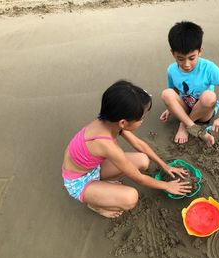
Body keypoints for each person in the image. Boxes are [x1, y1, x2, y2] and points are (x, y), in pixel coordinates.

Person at [62, 80, 191, 218]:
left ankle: (100, 187)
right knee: (130, 198)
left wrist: (165, 166)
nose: (142, 121)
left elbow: (139, 144)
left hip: (93, 168)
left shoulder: (110, 120)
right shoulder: (107, 145)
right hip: (78, 182)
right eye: (141, 118)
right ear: (123, 122)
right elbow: (139, 178)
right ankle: (94, 204)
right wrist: (167, 186)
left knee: (143, 160)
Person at [160, 21, 219, 147]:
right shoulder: (171, 70)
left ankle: (184, 125)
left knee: (209, 97)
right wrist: (169, 109)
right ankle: (191, 126)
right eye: (180, 59)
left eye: (192, 58)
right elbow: (174, 91)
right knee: (166, 94)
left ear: (200, 51)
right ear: (173, 53)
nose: (186, 64)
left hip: (204, 111)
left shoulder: (208, 68)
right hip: (185, 107)